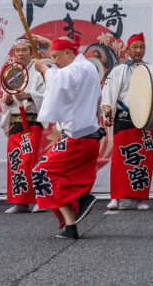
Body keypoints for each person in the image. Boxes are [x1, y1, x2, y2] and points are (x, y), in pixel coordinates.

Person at [31, 37, 105, 239]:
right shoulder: (87, 67)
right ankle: (71, 226)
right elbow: (62, 74)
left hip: (78, 138)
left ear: (69, 54)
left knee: (41, 172)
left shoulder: (77, 69)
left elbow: (58, 81)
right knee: (61, 179)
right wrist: (50, 44)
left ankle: (81, 198)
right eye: (51, 57)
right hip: (85, 137)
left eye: (56, 57)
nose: (54, 62)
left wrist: (43, 68)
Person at [101, 32, 153, 210]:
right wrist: (108, 112)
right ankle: (115, 197)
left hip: (146, 120)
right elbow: (108, 94)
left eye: (141, 47)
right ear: (128, 49)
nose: (138, 50)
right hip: (124, 119)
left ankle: (140, 198)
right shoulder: (118, 71)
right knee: (120, 160)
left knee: (143, 160)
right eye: (135, 47)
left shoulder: (151, 70)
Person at [0, 36, 51, 214]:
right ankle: (20, 202)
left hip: (32, 123)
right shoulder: (12, 72)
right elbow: (6, 100)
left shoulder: (39, 71)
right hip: (15, 123)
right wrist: (7, 101)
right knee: (17, 163)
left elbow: (47, 95)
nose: (20, 54)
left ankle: (39, 200)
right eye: (17, 51)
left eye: (24, 50)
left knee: (31, 162)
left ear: (31, 52)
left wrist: (29, 96)